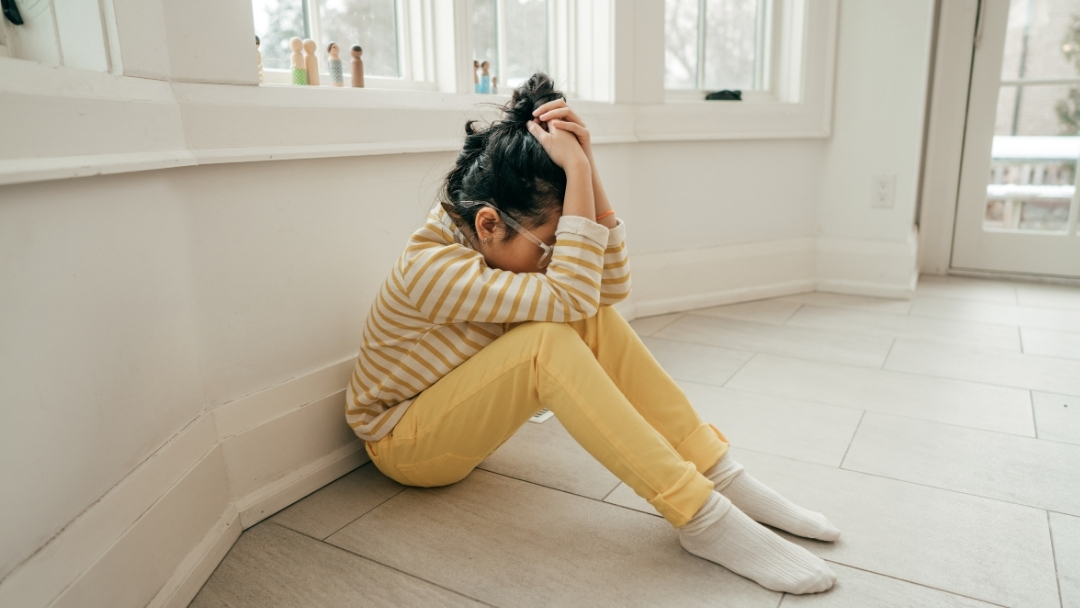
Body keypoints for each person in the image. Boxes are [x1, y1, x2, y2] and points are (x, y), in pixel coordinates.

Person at [346, 73, 839, 595]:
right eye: (555, 244)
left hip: (456, 413)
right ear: (489, 226)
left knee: (588, 317)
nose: (563, 256)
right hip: (405, 444)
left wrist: (586, 163)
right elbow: (578, 293)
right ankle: (702, 517)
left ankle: (720, 475)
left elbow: (607, 288)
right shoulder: (432, 269)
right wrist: (577, 167)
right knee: (550, 341)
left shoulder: (488, 230)